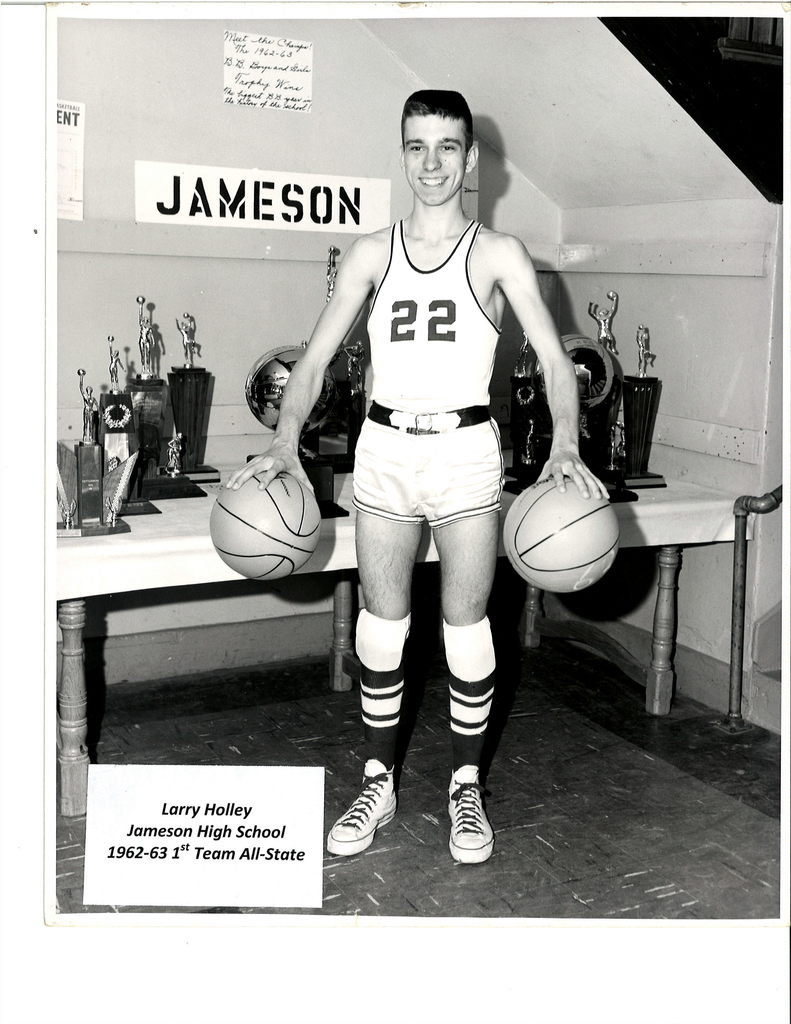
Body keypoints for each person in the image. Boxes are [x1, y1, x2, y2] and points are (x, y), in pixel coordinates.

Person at [227, 90, 607, 865]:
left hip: (466, 451)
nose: (430, 162)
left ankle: (465, 786)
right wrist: (285, 438)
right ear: (401, 154)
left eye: (446, 147)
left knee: (466, 631)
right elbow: (317, 353)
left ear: (471, 161)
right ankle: (378, 778)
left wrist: (564, 444)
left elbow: (557, 358)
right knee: (382, 624)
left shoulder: (498, 253)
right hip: (385, 451)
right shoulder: (372, 251)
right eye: (416, 146)